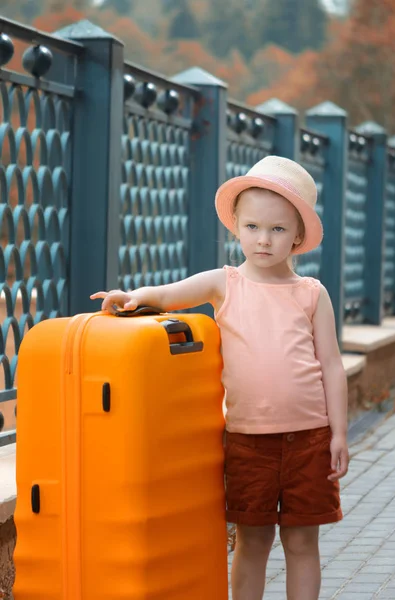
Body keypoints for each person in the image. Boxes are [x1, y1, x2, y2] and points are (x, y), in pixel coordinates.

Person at [90, 155, 349, 600]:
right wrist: (133, 297)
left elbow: (331, 364)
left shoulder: (311, 294)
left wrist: (339, 434)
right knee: (252, 540)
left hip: (310, 438)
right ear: (237, 228)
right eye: (252, 227)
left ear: (299, 236)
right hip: (249, 440)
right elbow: (171, 294)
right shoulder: (224, 283)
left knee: (303, 542)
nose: (263, 240)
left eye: (278, 230)